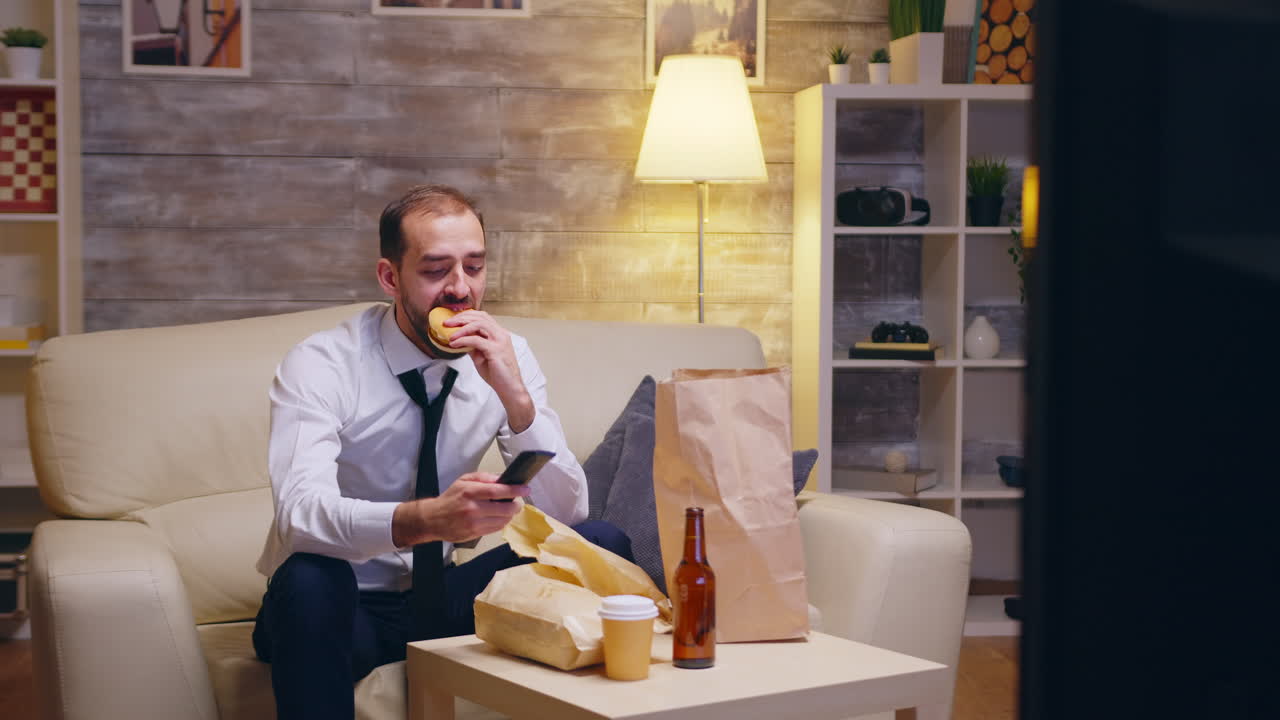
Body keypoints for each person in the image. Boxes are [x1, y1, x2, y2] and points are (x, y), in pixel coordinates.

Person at [252, 184, 632, 720]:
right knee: (313, 576)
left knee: (600, 542)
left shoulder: (506, 354)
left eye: (474, 267)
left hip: (440, 601)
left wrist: (517, 399)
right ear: (390, 277)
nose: (460, 289)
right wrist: (425, 520)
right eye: (436, 270)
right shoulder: (323, 363)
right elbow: (299, 517)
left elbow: (568, 514)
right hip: (343, 607)